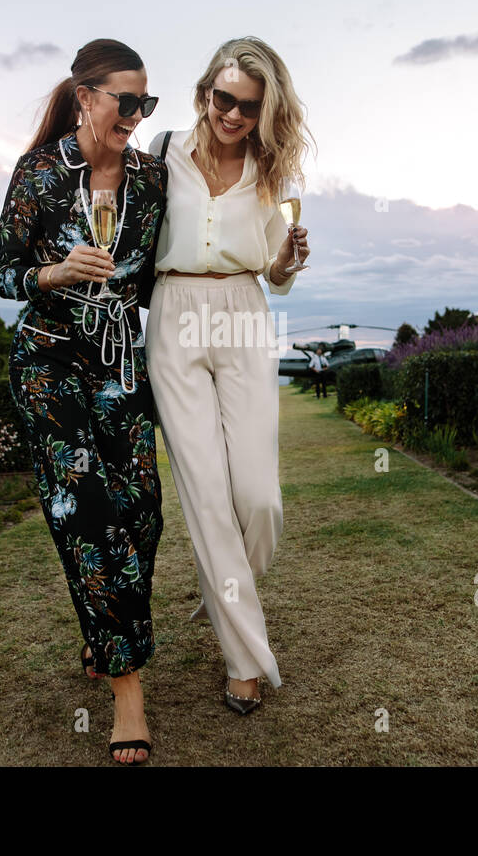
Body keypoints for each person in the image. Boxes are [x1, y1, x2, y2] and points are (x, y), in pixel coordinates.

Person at [0, 38, 166, 765]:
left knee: (143, 511)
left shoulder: (152, 179)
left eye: (146, 103)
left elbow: (162, 276)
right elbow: (4, 274)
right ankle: (128, 689)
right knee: (87, 513)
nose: (137, 113)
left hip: (120, 363)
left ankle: (104, 631)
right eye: (127, 101)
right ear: (87, 96)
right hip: (48, 364)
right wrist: (55, 272)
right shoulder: (38, 173)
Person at [145, 36, 315, 715]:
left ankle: (224, 580)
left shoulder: (271, 175)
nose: (233, 115)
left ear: (265, 110)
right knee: (208, 499)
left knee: (259, 497)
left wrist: (289, 261)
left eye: (248, 106)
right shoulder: (161, 156)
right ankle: (244, 660)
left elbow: (275, 276)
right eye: (224, 99)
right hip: (175, 310)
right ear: (203, 93)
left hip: (244, 312)